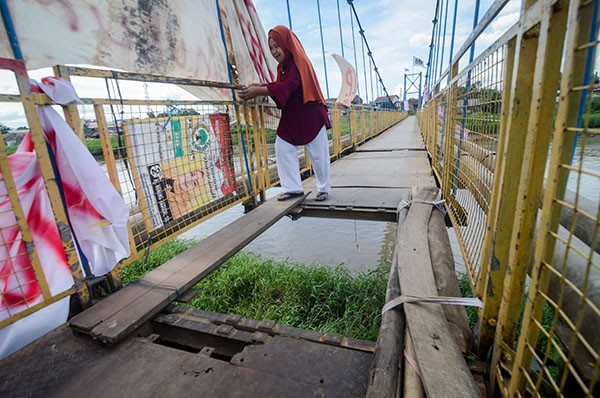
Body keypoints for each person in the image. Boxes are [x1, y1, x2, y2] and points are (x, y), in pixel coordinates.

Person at [238, 25, 331, 202]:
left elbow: (290, 85)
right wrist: (260, 87)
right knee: (283, 147)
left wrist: (259, 91)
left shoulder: (298, 63)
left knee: (319, 155)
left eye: (277, 46)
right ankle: (293, 188)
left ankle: (323, 188)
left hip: (311, 115)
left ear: (287, 44)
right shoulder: (283, 67)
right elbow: (280, 87)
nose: (274, 51)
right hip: (294, 116)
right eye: (271, 47)